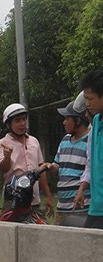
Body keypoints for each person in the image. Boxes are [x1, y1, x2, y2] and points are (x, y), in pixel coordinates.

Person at [0, 103, 54, 216]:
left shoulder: (34, 141)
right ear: (8, 125)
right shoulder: (1, 144)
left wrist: (48, 196)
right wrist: (7, 157)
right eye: (17, 121)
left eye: (24, 119)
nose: (22, 123)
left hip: (34, 200)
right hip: (13, 201)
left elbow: (40, 170)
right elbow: (4, 168)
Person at [48, 92, 90, 227]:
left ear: (78, 120)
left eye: (67, 118)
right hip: (62, 207)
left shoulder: (90, 141)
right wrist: (50, 167)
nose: (64, 122)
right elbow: (57, 167)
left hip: (81, 207)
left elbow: (90, 171)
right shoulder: (65, 140)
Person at [75, 70, 103, 229]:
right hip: (96, 206)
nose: (87, 104)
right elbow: (92, 162)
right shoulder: (96, 122)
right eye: (86, 99)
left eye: (90, 99)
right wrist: (82, 187)